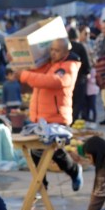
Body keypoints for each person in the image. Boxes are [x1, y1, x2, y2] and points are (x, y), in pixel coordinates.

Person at [18, 37, 84, 191]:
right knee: (36, 152)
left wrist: (24, 75)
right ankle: (42, 185)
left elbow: (53, 81)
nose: (53, 53)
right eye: (52, 50)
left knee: (54, 153)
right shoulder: (49, 64)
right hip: (39, 118)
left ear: (66, 51)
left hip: (56, 118)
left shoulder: (69, 66)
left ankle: (73, 171)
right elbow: (35, 72)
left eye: (57, 50)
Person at [68, 27, 91, 122]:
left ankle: (69, 120)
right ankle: (74, 120)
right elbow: (87, 65)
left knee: (69, 101)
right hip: (80, 79)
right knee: (78, 102)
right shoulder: (81, 47)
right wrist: (87, 73)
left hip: (67, 79)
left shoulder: (65, 47)